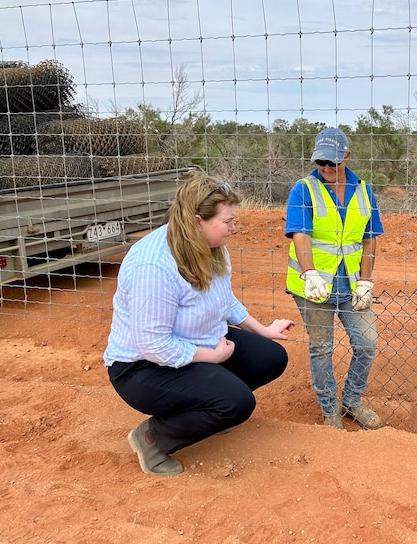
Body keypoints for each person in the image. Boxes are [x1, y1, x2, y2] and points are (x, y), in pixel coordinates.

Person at [104, 173, 295, 476]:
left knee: (270, 358)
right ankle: (154, 439)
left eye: (235, 219)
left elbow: (224, 300)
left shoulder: (211, 245)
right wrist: (212, 357)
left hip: (193, 345)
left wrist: (263, 330)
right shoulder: (153, 265)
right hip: (141, 367)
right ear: (197, 221)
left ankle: (207, 410)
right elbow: (152, 344)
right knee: (237, 404)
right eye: (228, 221)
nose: (234, 228)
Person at [285, 127, 385, 431]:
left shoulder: (364, 190)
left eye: (334, 162)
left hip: (351, 283)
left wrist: (365, 282)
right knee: (321, 347)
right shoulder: (304, 189)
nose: (327, 169)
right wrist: (309, 273)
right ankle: (329, 410)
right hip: (315, 284)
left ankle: (352, 401)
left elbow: (370, 238)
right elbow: (300, 234)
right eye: (321, 163)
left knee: (367, 343)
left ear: (347, 157)